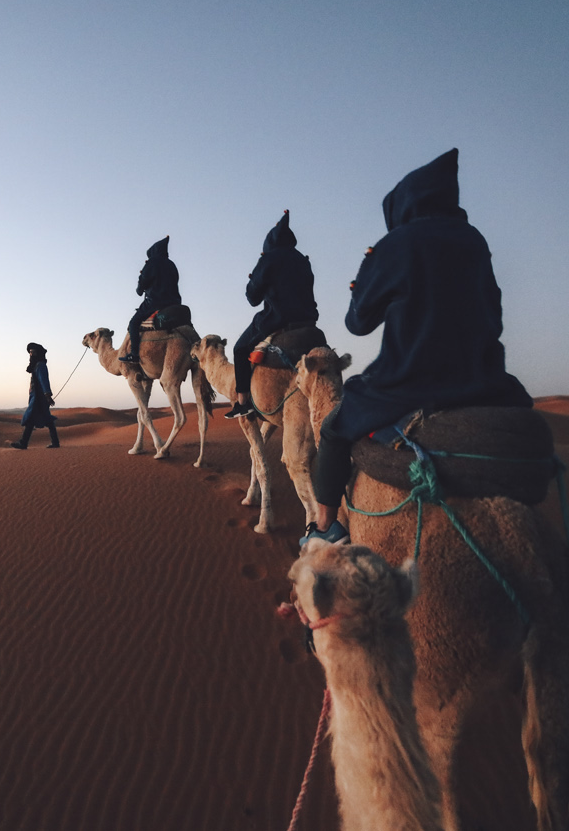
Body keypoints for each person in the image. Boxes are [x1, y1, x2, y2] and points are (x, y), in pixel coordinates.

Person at [303, 148, 533, 545]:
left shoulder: (398, 243)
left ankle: (324, 528)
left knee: (333, 429)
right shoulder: (474, 241)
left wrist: (364, 276)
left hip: (410, 382)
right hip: (487, 383)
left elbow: (357, 322)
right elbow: (493, 313)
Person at [226, 210, 319, 419]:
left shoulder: (268, 259)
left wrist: (255, 280)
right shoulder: (303, 260)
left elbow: (253, 298)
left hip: (277, 320)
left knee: (240, 349)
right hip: (309, 322)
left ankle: (243, 402)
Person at [118, 235, 181, 365]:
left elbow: (142, 284)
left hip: (156, 302)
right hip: (175, 303)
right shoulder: (172, 265)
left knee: (133, 323)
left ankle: (134, 355)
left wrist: (139, 288)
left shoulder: (152, 263)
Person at [11, 342, 60, 449]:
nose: (31, 355)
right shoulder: (37, 365)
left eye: (33, 352)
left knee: (31, 418)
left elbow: (44, 380)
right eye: (30, 353)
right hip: (37, 397)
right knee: (46, 419)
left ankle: (23, 442)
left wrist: (47, 395)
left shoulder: (40, 365)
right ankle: (55, 442)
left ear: (38, 353)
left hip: (39, 398)